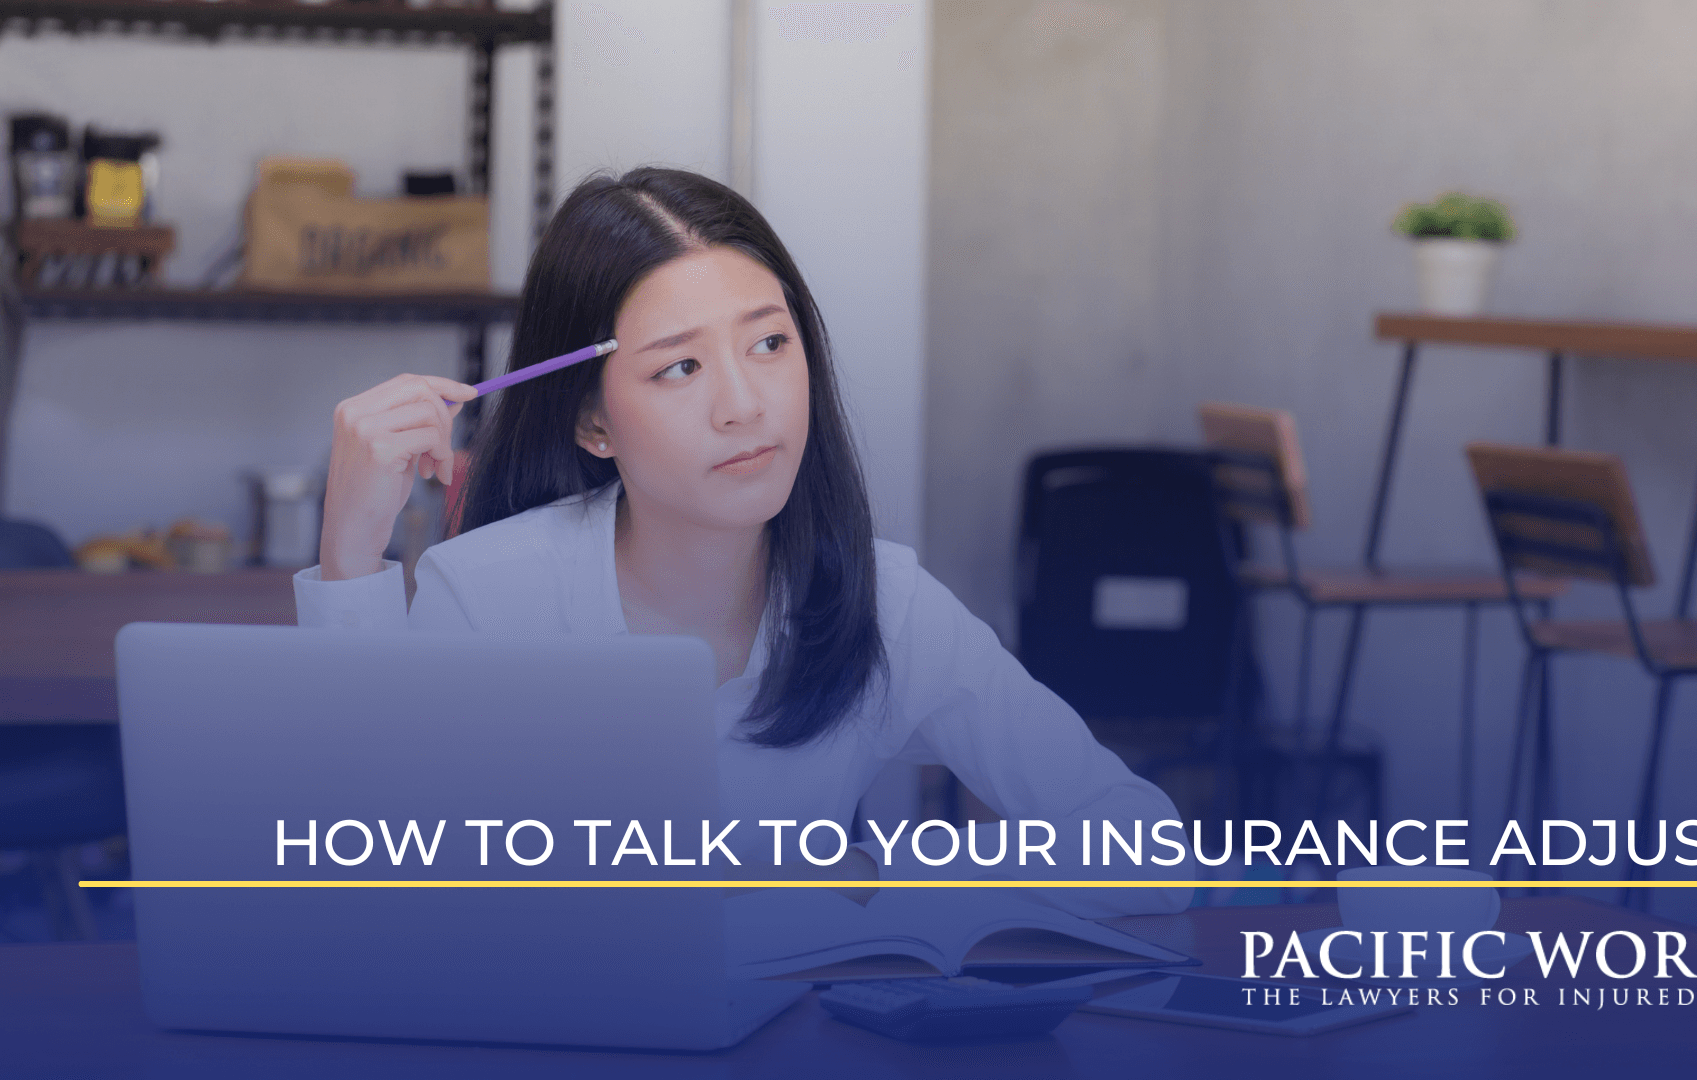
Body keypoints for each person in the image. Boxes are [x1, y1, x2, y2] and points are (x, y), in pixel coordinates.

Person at [295, 167, 1190, 917]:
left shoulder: (883, 603)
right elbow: (361, 890)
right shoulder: (488, 592)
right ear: (593, 423)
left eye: (769, 343)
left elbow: (1147, 851)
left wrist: (867, 878)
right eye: (679, 366)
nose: (744, 404)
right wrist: (349, 553)